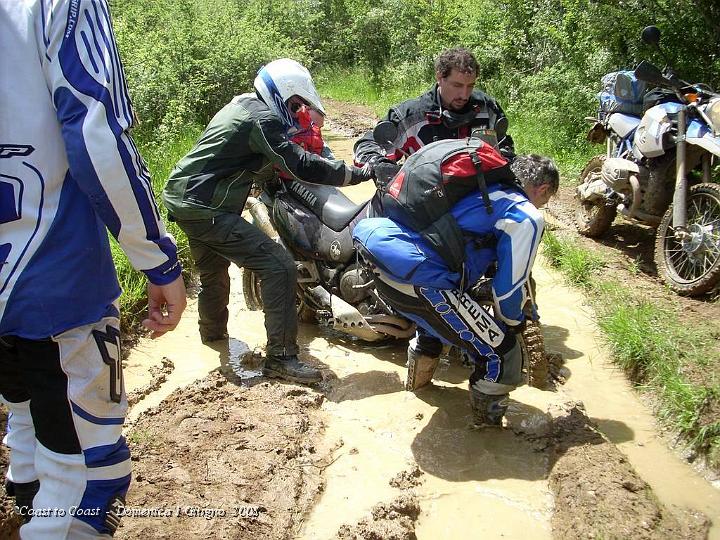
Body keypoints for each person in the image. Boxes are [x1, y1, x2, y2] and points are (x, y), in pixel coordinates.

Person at [0, 0, 187, 537]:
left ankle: (27, 510)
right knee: (89, 475)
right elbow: (96, 133)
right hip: (51, 274)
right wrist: (156, 257)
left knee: (26, 419)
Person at [163, 58, 373, 385]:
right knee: (278, 266)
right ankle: (282, 359)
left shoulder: (243, 105)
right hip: (207, 207)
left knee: (213, 273)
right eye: (294, 103)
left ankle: (212, 338)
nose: (296, 110)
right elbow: (300, 163)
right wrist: (355, 173)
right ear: (279, 94)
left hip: (185, 197)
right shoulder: (261, 118)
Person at [353, 154, 558, 427]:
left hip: (387, 268)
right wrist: (514, 324)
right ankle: (486, 439)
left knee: (433, 332)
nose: (544, 204)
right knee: (503, 356)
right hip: (426, 282)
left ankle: (414, 396)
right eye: (547, 198)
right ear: (543, 189)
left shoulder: (480, 189)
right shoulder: (526, 215)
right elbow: (508, 292)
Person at [354, 46, 515, 187]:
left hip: (479, 199)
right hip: (427, 203)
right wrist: (379, 165)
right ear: (439, 77)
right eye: (457, 85)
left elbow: (504, 146)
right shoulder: (411, 115)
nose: (464, 94)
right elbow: (366, 145)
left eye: (470, 86)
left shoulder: (487, 108)